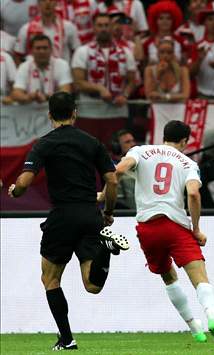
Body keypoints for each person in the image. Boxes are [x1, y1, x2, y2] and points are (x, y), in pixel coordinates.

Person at [7, 92, 129, 351]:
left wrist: (15, 191)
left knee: (50, 279)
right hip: (89, 214)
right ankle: (105, 251)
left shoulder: (44, 144)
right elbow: (112, 180)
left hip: (62, 217)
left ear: (49, 114)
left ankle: (67, 339)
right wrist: (108, 212)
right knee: (92, 285)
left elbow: (25, 182)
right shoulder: (92, 142)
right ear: (75, 113)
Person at [113, 120, 214, 343]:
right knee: (200, 277)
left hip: (147, 227)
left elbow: (119, 170)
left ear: (164, 136)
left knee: (169, 278)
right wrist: (196, 229)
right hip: (175, 225)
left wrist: (107, 191)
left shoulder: (141, 151)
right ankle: (211, 316)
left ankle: (194, 327)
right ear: (184, 141)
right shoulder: (188, 163)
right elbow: (193, 194)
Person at [11, 35, 73, 104]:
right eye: (38, 48)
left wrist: (46, 97)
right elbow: (16, 94)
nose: (42, 51)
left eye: (45, 48)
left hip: (56, 109)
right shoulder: (24, 66)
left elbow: (66, 92)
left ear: (51, 49)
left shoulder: (62, 64)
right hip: (31, 110)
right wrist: (30, 97)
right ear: (31, 51)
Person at [14, 0, 81, 64]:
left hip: (61, 73)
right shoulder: (26, 29)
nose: (47, 3)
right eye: (43, 0)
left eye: (51, 0)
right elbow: (18, 56)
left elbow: (77, 53)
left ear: (56, 3)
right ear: (38, 4)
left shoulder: (68, 27)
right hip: (35, 74)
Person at [144, 37, 190, 103]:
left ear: (173, 54)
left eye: (169, 52)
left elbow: (185, 95)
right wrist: (158, 76)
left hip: (178, 110)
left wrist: (164, 97)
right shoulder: (149, 70)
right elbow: (149, 95)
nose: (165, 55)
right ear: (157, 54)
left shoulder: (183, 71)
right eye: (162, 52)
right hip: (156, 110)